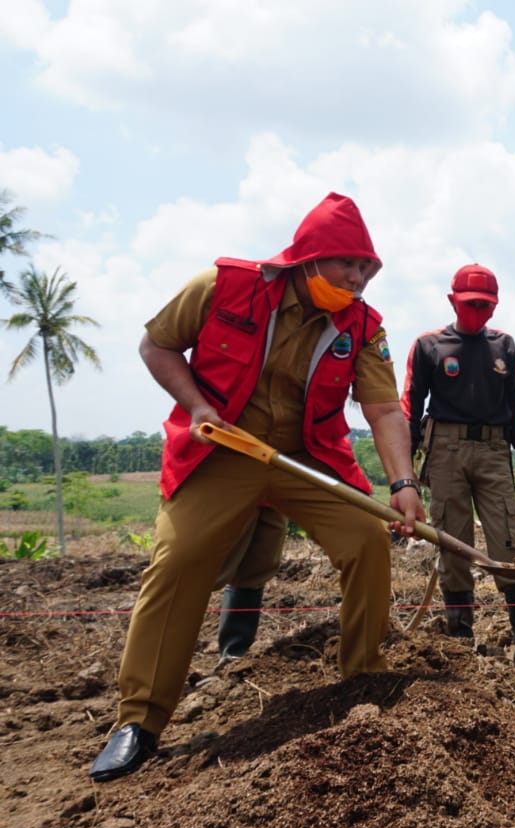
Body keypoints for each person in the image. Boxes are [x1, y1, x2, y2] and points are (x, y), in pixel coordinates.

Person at [88, 192, 426, 783]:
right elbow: (156, 344)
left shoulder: (365, 327)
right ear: (308, 259)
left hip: (307, 456)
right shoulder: (224, 287)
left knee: (367, 540)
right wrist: (196, 405)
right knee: (179, 560)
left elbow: (381, 409)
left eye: (366, 268)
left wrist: (402, 482)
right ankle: (139, 720)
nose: (358, 278)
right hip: (225, 448)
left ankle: (363, 682)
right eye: (347, 263)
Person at [400, 263, 515, 674]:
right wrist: (405, 470)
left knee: (510, 544)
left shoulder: (504, 345)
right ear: (453, 302)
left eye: (486, 305)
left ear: (495, 305)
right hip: (445, 451)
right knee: (452, 543)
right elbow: (410, 407)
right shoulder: (429, 346)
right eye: (471, 304)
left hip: (494, 450)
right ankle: (461, 643)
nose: (479, 312)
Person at [215, 506, 288, 666]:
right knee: (201, 565)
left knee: (257, 563)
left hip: (274, 498)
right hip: (224, 494)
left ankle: (234, 653)